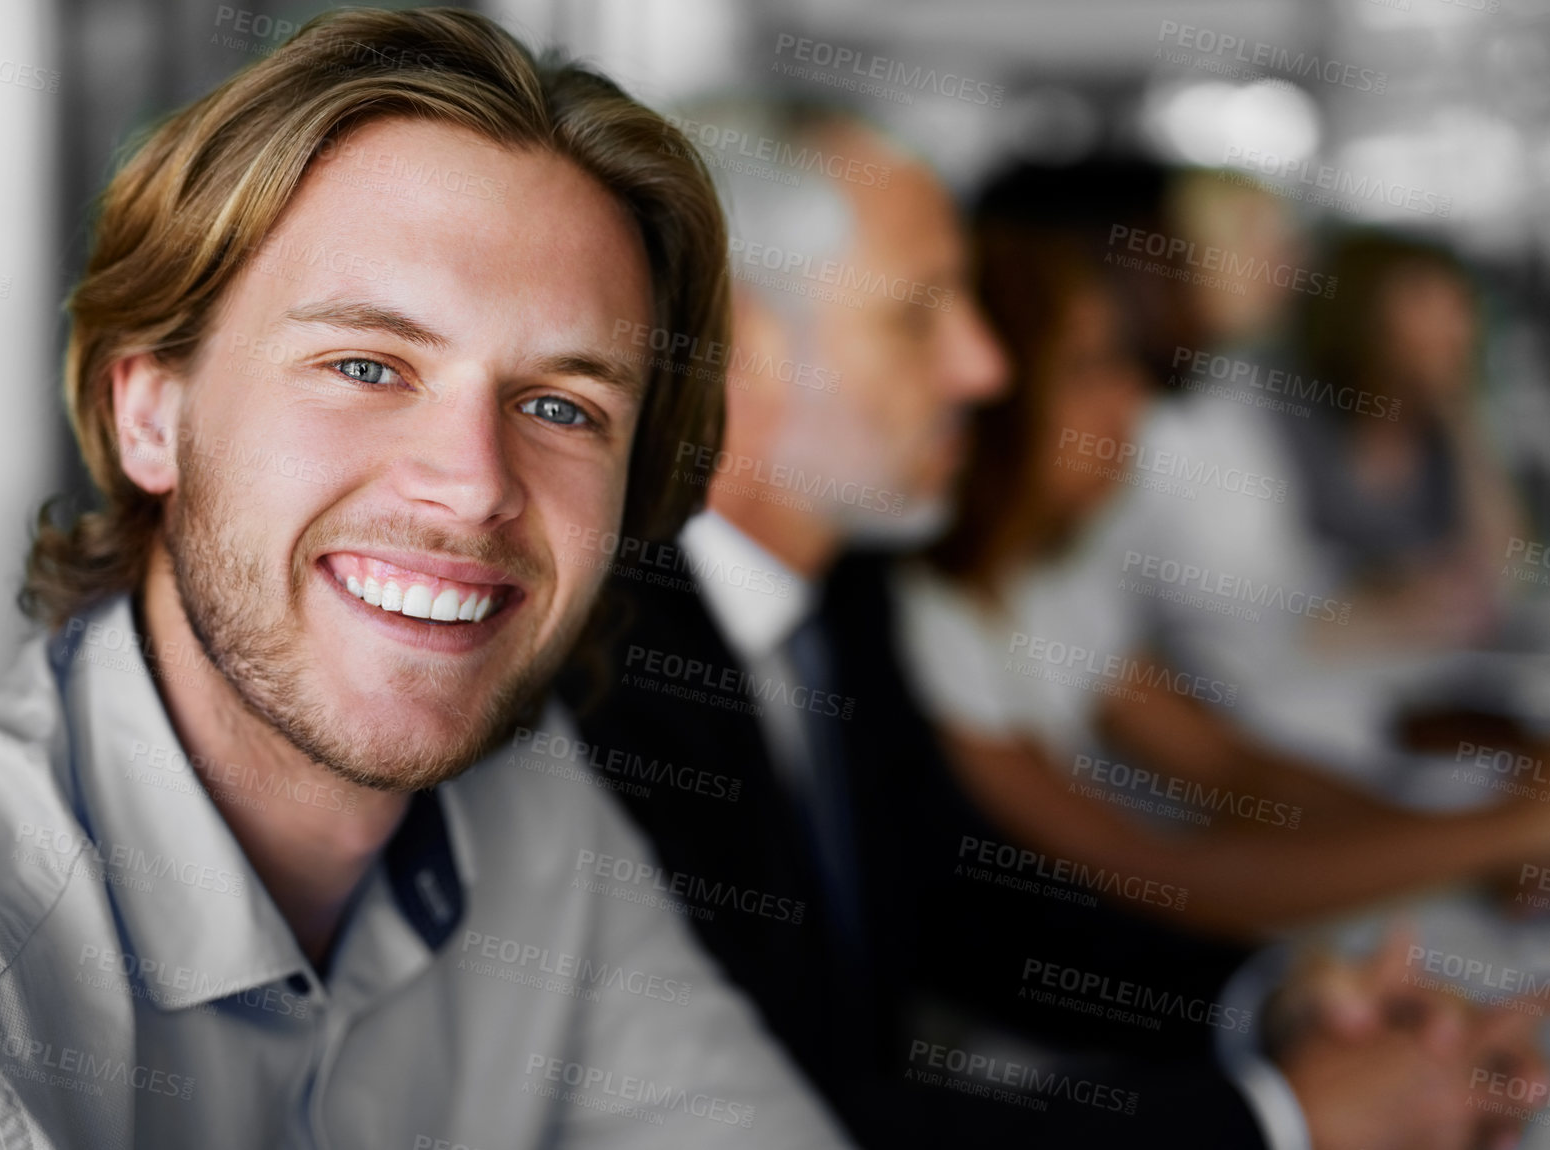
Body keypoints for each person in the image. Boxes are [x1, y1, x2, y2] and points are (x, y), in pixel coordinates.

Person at [0, 11, 853, 1148]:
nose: (471, 485)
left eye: (562, 406)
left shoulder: (533, 812)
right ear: (149, 412)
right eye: (365, 364)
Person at [556, 106, 1547, 1148]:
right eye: (918, 314)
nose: (983, 371)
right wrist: (1281, 1117)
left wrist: (1279, 1002)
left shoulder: (841, 599)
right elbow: (766, 1115)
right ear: (741, 353)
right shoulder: (604, 665)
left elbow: (973, 911)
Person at [900, 182, 1550, 937]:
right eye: (1089, 368)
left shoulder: (1055, 576)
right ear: (996, 396)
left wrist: (1474, 839)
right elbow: (1162, 874)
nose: (1133, 402)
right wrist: (1496, 838)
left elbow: (1227, 770)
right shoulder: (928, 620)